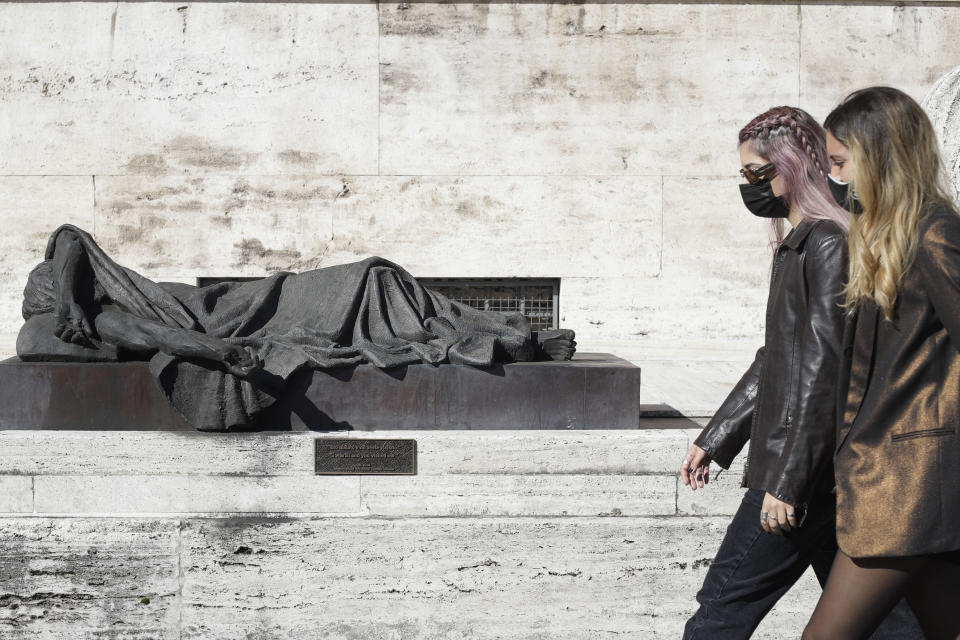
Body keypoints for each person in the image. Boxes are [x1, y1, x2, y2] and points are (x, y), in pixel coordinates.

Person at [19, 224, 576, 430]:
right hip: (234, 322)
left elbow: (67, 238)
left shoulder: (82, 286)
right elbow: (161, 338)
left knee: (376, 283)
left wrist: (68, 295)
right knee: (373, 281)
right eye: (62, 287)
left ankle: (504, 336)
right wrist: (219, 355)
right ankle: (505, 340)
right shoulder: (99, 318)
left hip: (239, 301)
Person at [679, 105, 851, 639]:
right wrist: (717, 436)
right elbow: (777, 356)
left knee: (719, 612)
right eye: (745, 175)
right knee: (881, 624)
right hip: (815, 475)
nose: (751, 187)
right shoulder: (799, 245)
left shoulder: (827, 244)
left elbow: (824, 372)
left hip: (795, 475)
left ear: (797, 165)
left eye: (759, 173)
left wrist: (787, 483)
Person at [803, 87, 960, 640]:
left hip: (911, 488)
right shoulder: (883, 237)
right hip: (885, 479)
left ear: (881, 157)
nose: (837, 179)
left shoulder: (936, 234)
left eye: (843, 163)